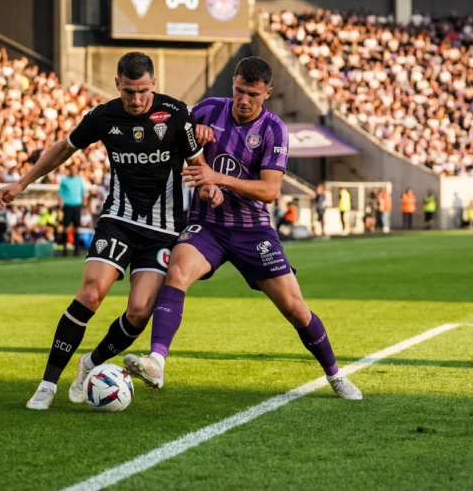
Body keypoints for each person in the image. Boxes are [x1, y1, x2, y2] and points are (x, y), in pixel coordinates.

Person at [124, 57, 361, 401]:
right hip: (207, 225)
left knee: (295, 308)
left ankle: (336, 375)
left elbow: (269, 190)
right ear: (232, 85)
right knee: (177, 272)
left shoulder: (273, 129)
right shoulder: (207, 109)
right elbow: (175, 143)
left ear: (267, 93)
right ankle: (156, 361)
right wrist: (195, 140)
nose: (243, 100)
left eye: (252, 93)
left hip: (253, 232)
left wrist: (216, 178)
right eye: (238, 91)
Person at [0, 52, 221, 411]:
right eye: (129, 91)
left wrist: (208, 186)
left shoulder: (176, 114)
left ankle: (91, 363)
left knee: (139, 311)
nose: (136, 100)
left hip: (162, 231)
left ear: (153, 85)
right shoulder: (104, 116)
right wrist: (22, 182)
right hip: (118, 219)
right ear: (117, 84)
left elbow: (198, 164)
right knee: (90, 294)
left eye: (143, 91)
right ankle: (47, 385)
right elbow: (63, 149)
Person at [58, 165, 85, 256]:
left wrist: (84, 205)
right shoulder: (64, 180)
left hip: (77, 205)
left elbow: (83, 193)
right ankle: (65, 249)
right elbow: (60, 194)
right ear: (69, 170)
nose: (74, 171)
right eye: (72, 169)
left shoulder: (79, 180)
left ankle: (76, 249)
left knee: (77, 227)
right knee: (66, 227)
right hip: (68, 205)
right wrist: (60, 205)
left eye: (75, 170)